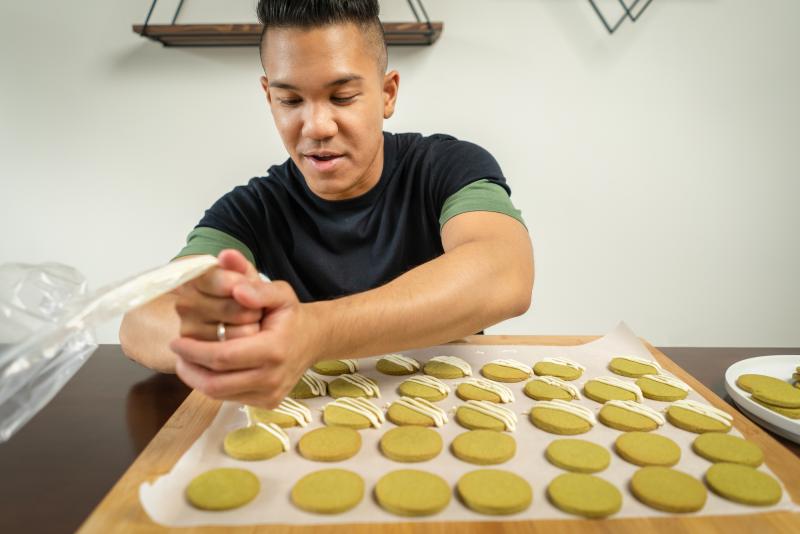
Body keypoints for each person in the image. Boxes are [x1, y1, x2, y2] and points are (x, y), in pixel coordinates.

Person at [119, 0, 533, 408]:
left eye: (343, 97)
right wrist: (235, 338)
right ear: (269, 98)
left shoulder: (447, 166)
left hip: (454, 404)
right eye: (291, 101)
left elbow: (506, 272)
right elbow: (141, 320)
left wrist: (314, 331)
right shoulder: (254, 207)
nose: (317, 127)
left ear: (387, 94)